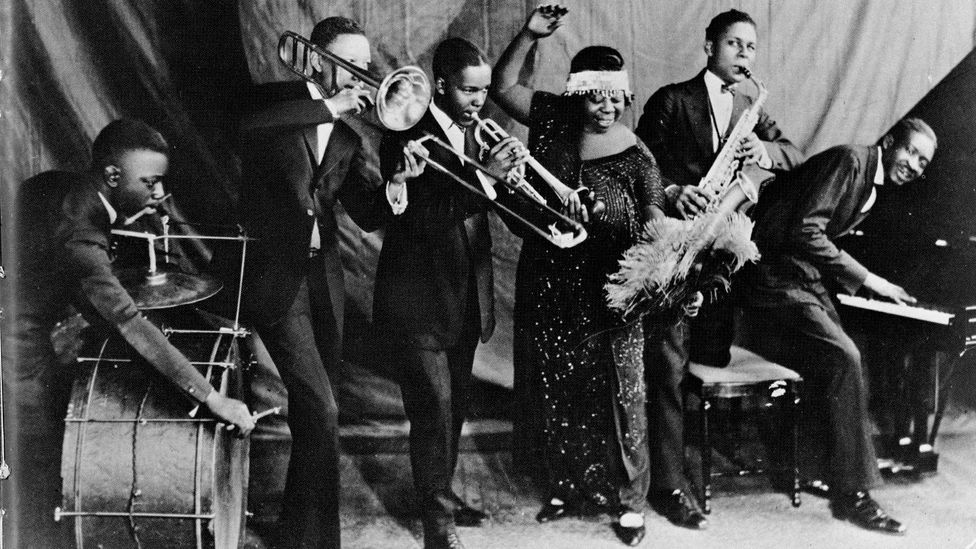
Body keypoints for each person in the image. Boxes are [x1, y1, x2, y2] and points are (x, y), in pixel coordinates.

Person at [4, 119, 255, 549]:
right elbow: (126, 322)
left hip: (23, 325)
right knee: (37, 475)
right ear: (113, 175)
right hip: (14, 354)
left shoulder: (56, 185)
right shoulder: (81, 237)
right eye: (150, 182)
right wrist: (212, 398)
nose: (159, 194)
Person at [491, 6, 666, 546]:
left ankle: (631, 502)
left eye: (616, 98)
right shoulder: (551, 118)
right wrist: (529, 35)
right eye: (596, 98)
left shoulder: (638, 155)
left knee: (625, 396)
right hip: (552, 282)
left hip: (614, 291)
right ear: (577, 95)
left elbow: (655, 226)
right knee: (560, 387)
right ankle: (567, 486)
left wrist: (617, 224)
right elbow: (502, 87)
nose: (607, 108)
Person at [208, 16, 383, 549]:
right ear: (317, 59)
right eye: (349, 62)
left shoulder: (349, 136)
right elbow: (242, 128)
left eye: (366, 65)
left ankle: (302, 535)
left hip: (323, 281)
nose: (361, 74)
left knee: (318, 414)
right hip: (273, 276)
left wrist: (398, 184)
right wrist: (329, 107)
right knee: (322, 408)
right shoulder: (275, 103)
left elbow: (367, 214)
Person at [633, 8, 804, 530]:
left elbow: (795, 154)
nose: (744, 55)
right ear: (709, 47)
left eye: (751, 47)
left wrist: (764, 151)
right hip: (674, 244)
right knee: (667, 366)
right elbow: (638, 164)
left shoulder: (750, 105)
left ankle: (685, 458)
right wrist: (671, 191)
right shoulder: (671, 99)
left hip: (720, 255)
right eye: (734, 44)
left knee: (707, 357)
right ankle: (668, 484)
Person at [737, 117, 937, 535]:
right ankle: (855, 495)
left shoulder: (871, 179)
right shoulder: (850, 160)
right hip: (773, 277)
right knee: (845, 356)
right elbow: (806, 231)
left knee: (844, 360)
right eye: (911, 152)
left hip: (801, 277)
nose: (915, 165)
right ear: (889, 142)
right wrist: (872, 281)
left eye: (923, 162)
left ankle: (820, 469)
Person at [376, 37, 528, 549]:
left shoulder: (481, 136)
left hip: (467, 296)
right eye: (468, 91)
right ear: (440, 86)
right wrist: (488, 181)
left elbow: (500, 212)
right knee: (434, 409)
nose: (479, 102)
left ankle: (437, 494)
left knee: (455, 407)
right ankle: (437, 521)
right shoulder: (405, 134)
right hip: (418, 299)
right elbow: (420, 219)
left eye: (484, 91)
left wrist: (513, 182)